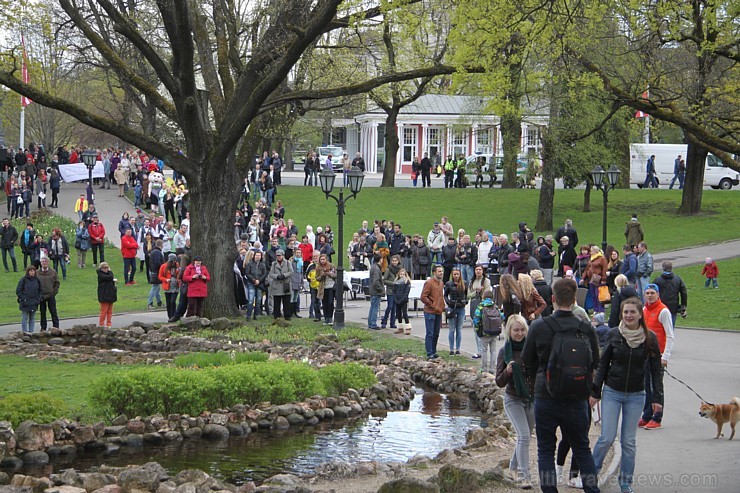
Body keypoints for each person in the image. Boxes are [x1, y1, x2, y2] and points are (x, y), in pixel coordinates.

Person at [521, 278, 600, 493]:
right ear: (574, 299)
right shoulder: (585, 327)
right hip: (577, 396)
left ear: (553, 299)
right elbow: (595, 362)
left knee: (546, 449)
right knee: (582, 448)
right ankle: (592, 489)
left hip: (546, 395)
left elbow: (527, 362)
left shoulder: (539, 326)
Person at [590, 297, 663, 493]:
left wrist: (657, 399)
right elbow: (603, 364)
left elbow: (656, 370)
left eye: (632, 312)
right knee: (606, 437)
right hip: (612, 391)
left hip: (636, 394)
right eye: (625, 312)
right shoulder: (614, 334)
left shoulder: (650, 338)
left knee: (628, 441)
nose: (629, 315)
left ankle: (626, 482)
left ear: (640, 314)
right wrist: (595, 392)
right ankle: (591, 475)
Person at [495, 314, 535, 489]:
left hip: (531, 399)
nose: (519, 333)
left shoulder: (532, 348)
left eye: (522, 330)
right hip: (513, 399)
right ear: (509, 331)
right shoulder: (505, 352)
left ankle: (512, 467)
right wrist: (508, 372)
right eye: (516, 330)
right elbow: (498, 381)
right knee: (524, 436)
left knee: (524, 438)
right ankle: (524, 476)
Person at [640, 284, 675, 430]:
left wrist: (665, 356)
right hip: (645, 354)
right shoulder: (644, 310)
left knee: (657, 387)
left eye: (652, 293)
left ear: (658, 294)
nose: (649, 295)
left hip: (658, 355)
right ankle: (647, 414)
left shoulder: (663, 311)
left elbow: (670, 335)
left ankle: (657, 417)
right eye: (647, 293)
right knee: (646, 386)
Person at [421, 264, 445, 360]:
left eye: (442, 271)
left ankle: (434, 351)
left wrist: (442, 307)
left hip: (438, 311)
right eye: (439, 271)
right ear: (434, 272)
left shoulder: (441, 283)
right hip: (430, 311)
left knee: (436, 333)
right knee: (430, 333)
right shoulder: (429, 283)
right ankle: (429, 353)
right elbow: (423, 297)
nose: (441, 273)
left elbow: (441, 296)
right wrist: (432, 305)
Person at [653, 261, 687, 325]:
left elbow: (652, 291)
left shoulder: (657, 280)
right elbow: (684, 293)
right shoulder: (678, 279)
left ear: (663, 268)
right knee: (671, 326)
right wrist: (683, 306)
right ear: (671, 268)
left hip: (660, 306)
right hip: (673, 307)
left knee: (660, 325)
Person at [444, 268, 468, 355]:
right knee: (451, 329)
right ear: (452, 275)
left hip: (461, 307)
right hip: (452, 307)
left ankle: (458, 349)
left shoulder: (464, 283)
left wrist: (465, 301)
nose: (456, 276)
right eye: (454, 274)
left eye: (457, 274)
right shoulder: (449, 284)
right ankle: (451, 349)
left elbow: (466, 294)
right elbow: (445, 295)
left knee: (459, 329)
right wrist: (448, 302)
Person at [268, 248, 293, 320]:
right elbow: (271, 273)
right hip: (277, 284)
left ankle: (287, 316)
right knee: (276, 302)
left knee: (286, 302)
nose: (279, 257)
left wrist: (284, 275)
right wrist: (277, 276)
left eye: (280, 255)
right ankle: (277, 316)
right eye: (277, 256)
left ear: (283, 256)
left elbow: (291, 272)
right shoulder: (273, 264)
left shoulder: (288, 263)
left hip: (286, 284)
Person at [37, 257, 60, 332]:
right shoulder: (37, 272)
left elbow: (57, 283)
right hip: (41, 296)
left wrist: (54, 292)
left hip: (51, 295)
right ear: (41, 263)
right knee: (42, 312)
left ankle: (56, 327)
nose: (44, 263)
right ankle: (43, 328)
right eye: (43, 261)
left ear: (48, 262)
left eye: (45, 261)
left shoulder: (53, 272)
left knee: (53, 311)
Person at [16, 265, 42, 333]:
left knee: (32, 318)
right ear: (28, 272)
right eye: (31, 271)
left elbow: (40, 290)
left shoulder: (37, 280)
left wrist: (38, 299)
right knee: (24, 317)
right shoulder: (23, 280)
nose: (32, 272)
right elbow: (18, 290)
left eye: (33, 271)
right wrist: (24, 298)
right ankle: (25, 332)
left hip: (34, 302)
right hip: (25, 302)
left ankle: (31, 332)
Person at [315, 254, 337, 325]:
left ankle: (330, 317)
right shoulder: (318, 267)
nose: (322, 261)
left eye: (324, 259)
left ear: (326, 259)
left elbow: (336, 275)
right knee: (324, 303)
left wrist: (329, 274)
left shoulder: (331, 266)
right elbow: (317, 278)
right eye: (321, 259)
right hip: (323, 287)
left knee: (330, 302)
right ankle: (326, 318)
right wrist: (322, 275)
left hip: (331, 286)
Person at [245, 250, 268, 319]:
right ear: (254, 256)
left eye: (259, 255)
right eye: (256, 255)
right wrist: (254, 280)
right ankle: (248, 315)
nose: (258, 257)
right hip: (251, 283)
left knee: (258, 300)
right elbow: (247, 273)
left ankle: (256, 315)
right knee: (251, 300)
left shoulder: (263, 265)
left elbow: (264, 274)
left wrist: (259, 280)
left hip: (260, 284)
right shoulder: (250, 264)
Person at [381, 255, 401, 329]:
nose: (394, 262)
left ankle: (392, 323)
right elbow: (384, 280)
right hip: (390, 290)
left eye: (395, 261)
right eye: (393, 261)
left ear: (398, 261)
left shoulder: (399, 269)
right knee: (390, 306)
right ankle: (384, 321)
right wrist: (392, 283)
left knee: (394, 308)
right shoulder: (388, 269)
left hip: (397, 291)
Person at [159, 253, 180, 319]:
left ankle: (174, 315)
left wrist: (178, 280)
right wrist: (166, 279)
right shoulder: (163, 266)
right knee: (168, 302)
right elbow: (160, 276)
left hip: (175, 287)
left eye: (174, 261)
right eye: (172, 261)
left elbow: (179, 274)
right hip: (167, 287)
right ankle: (170, 316)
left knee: (172, 301)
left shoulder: (177, 265)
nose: (174, 262)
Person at [96, 262, 117, 328]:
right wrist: (110, 272)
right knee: (104, 310)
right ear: (101, 268)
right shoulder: (101, 275)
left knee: (110, 311)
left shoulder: (108, 274)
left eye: (107, 267)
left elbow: (110, 277)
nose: (106, 269)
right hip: (104, 294)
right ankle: (101, 324)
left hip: (110, 294)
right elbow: (110, 277)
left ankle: (109, 324)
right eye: (105, 267)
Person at [393, 268, 412, 335]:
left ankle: (408, 327)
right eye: (401, 274)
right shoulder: (396, 282)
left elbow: (406, 293)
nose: (402, 275)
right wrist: (396, 299)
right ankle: (400, 327)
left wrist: (401, 300)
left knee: (404, 313)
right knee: (398, 314)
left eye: (403, 274)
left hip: (403, 300)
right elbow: (394, 292)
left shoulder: (407, 282)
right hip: (397, 300)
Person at [147, 239, 165, 309]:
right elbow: (158, 262)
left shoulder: (153, 251)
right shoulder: (157, 252)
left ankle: (159, 302)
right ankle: (150, 302)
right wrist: (162, 268)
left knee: (157, 288)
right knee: (155, 288)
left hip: (153, 271)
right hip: (156, 272)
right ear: (161, 245)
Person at [367, 252, 383, 330]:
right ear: (380, 259)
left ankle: (370, 323)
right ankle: (373, 323)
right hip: (376, 291)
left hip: (372, 290)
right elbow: (376, 281)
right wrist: (381, 289)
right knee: (375, 307)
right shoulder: (376, 268)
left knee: (372, 306)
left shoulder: (373, 267)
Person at [306, 251, 322, 322]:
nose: (315, 258)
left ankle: (320, 313)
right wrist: (310, 280)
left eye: (317, 256)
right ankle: (315, 315)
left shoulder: (322, 265)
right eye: (314, 256)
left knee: (320, 301)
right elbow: (307, 275)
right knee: (314, 301)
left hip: (321, 286)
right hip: (313, 286)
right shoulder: (310, 266)